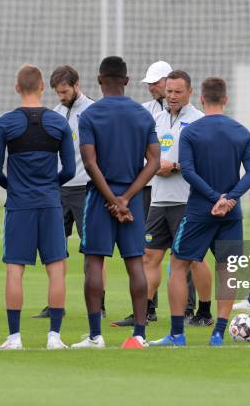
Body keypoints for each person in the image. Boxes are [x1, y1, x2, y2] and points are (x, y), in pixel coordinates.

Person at [150, 76, 250, 347]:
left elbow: (188, 170)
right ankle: (218, 334)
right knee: (228, 271)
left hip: (199, 210)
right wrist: (229, 198)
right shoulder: (241, 131)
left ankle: (177, 334)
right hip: (231, 214)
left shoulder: (192, 132)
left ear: (201, 98)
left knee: (178, 265)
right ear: (225, 99)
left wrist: (214, 198)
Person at [71, 56, 160, 349]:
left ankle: (96, 336)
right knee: (135, 263)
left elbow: (89, 161)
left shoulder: (90, 115)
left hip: (100, 198)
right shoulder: (142, 115)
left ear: (99, 80)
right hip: (131, 201)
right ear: (126, 80)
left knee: (94, 262)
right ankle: (139, 335)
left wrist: (111, 198)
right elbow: (154, 161)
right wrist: (126, 198)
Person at [0, 64, 75, 350]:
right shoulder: (59, 122)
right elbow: (70, 170)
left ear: (17, 88)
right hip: (50, 204)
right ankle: (55, 337)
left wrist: (15, 188)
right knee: (56, 268)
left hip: (19, 206)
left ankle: (14, 338)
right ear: (42, 87)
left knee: (15, 269)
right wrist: (50, 187)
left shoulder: (5, 123)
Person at [32, 65, 108, 319]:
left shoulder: (95, 111)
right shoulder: (54, 114)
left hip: (87, 189)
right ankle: (55, 304)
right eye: (58, 93)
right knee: (55, 249)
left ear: (77, 85)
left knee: (93, 250)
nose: (62, 96)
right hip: (57, 190)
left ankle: (100, 302)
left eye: (65, 91)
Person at [143, 70, 213, 326]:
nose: (172, 96)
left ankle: (204, 312)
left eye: (178, 92)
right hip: (158, 200)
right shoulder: (157, 120)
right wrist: (154, 165)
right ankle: (146, 310)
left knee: (193, 258)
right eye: (169, 91)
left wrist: (173, 167)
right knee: (150, 256)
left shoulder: (199, 121)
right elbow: (147, 156)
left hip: (187, 200)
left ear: (190, 92)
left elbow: (205, 161)